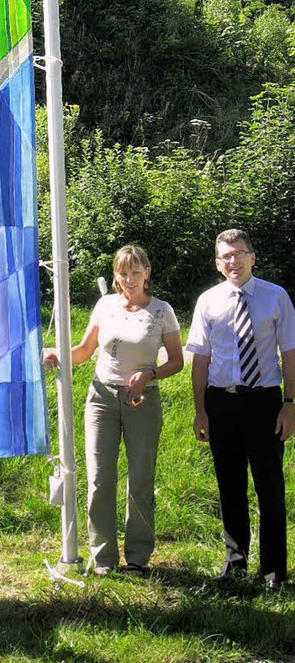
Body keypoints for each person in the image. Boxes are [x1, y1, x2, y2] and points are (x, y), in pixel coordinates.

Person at [44, 245, 183, 575]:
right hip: (101, 399)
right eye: (122, 273)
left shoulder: (163, 311)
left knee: (140, 479)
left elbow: (177, 362)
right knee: (99, 478)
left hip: (142, 401)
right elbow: (83, 350)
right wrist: (57, 355)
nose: (128, 279)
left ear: (147, 273)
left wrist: (150, 374)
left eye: (135, 272)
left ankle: (136, 557)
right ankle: (103, 557)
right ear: (116, 275)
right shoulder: (105, 305)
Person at [186, 228, 295, 591]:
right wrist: (200, 411)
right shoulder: (208, 301)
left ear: (253, 256)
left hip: (264, 402)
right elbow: (200, 361)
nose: (233, 261)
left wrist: (289, 405)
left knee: (269, 486)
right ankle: (235, 564)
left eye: (239, 253)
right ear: (218, 263)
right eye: (226, 256)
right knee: (229, 486)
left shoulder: (275, 297)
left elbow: (290, 354)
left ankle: (274, 571)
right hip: (222, 402)